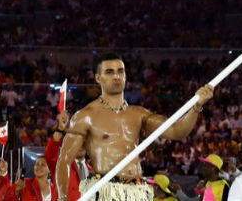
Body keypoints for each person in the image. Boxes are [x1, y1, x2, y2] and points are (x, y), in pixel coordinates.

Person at [55, 53, 214, 201]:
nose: (116, 76)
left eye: (120, 71)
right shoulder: (85, 116)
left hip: (136, 191)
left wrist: (197, 106)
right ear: (98, 78)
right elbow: (64, 161)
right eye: (109, 72)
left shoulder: (139, 114)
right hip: (105, 191)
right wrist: (62, 198)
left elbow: (178, 132)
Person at [45, 112, 86, 201]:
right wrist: (60, 129)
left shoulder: (94, 170)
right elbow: (50, 155)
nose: (80, 145)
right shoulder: (61, 163)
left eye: (83, 142)